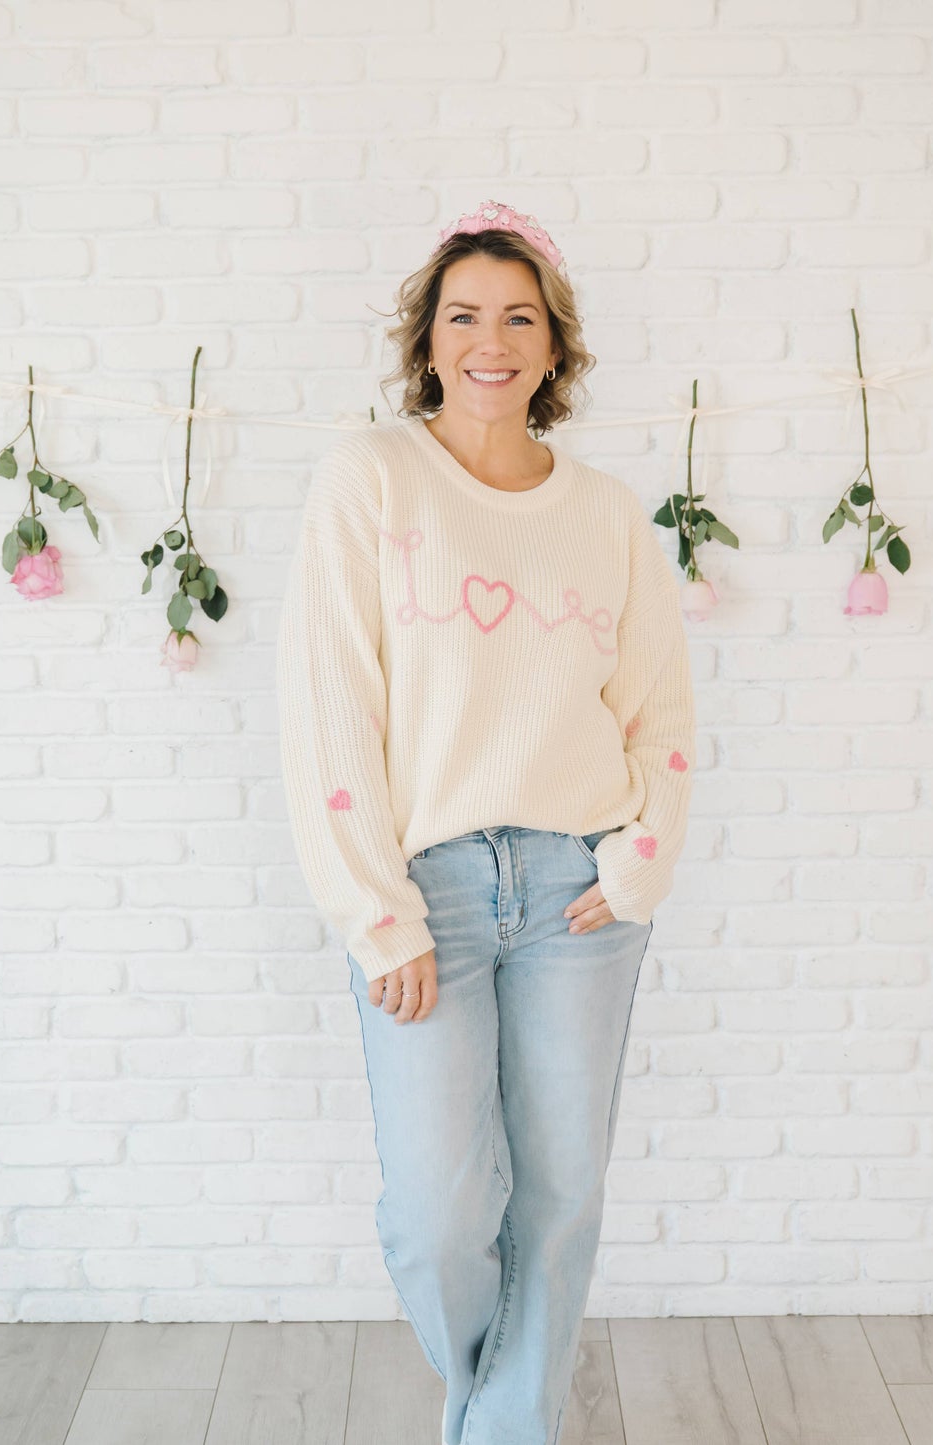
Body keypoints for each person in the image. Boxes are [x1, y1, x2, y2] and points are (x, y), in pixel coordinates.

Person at [276, 200, 696, 1445]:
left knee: (560, 1197)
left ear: (553, 346)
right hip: (427, 890)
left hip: (578, 889)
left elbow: (659, 707)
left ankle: (496, 1430)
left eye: (518, 315)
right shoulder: (371, 476)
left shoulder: (610, 511)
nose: (489, 338)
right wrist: (374, 911)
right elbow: (329, 702)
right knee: (439, 1210)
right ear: (427, 337)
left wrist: (636, 866)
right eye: (463, 313)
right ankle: (499, 1414)